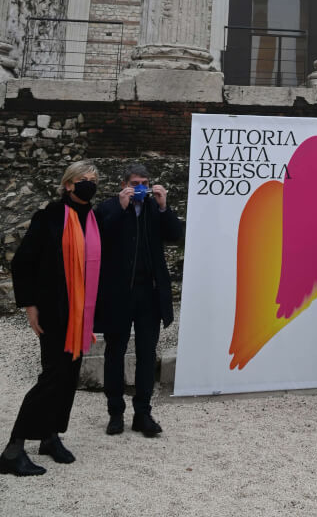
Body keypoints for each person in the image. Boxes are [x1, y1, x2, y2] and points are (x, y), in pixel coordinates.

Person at [0, 160, 101, 477]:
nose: (89, 183)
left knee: (69, 377)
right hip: (54, 310)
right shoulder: (50, 217)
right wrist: (30, 307)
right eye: (83, 178)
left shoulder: (92, 219)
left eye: (93, 179)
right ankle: (13, 449)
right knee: (53, 377)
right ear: (68, 184)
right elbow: (22, 263)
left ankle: (49, 435)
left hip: (79, 313)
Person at [95, 158, 182, 438]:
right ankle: (115, 412)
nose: (141, 188)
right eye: (135, 184)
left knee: (147, 353)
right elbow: (99, 238)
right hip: (118, 294)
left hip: (149, 294)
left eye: (144, 184)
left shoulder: (155, 208)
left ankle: (143, 413)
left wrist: (164, 206)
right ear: (123, 185)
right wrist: (121, 208)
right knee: (114, 352)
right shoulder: (108, 207)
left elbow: (176, 235)